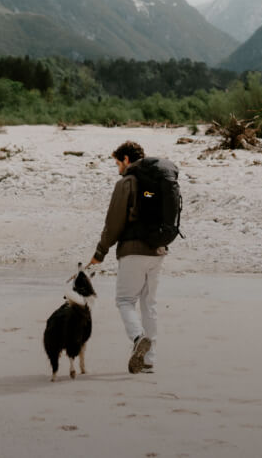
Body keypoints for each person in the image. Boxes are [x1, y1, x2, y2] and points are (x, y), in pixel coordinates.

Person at [86, 140, 166, 374]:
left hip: (133, 252)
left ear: (127, 160)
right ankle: (149, 360)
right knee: (149, 304)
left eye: (117, 162)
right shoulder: (159, 181)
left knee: (124, 301)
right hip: (158, 251)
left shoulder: (128, 182)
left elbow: (113, 223)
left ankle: (138, 337)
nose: (117, 167)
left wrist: (100, 252)